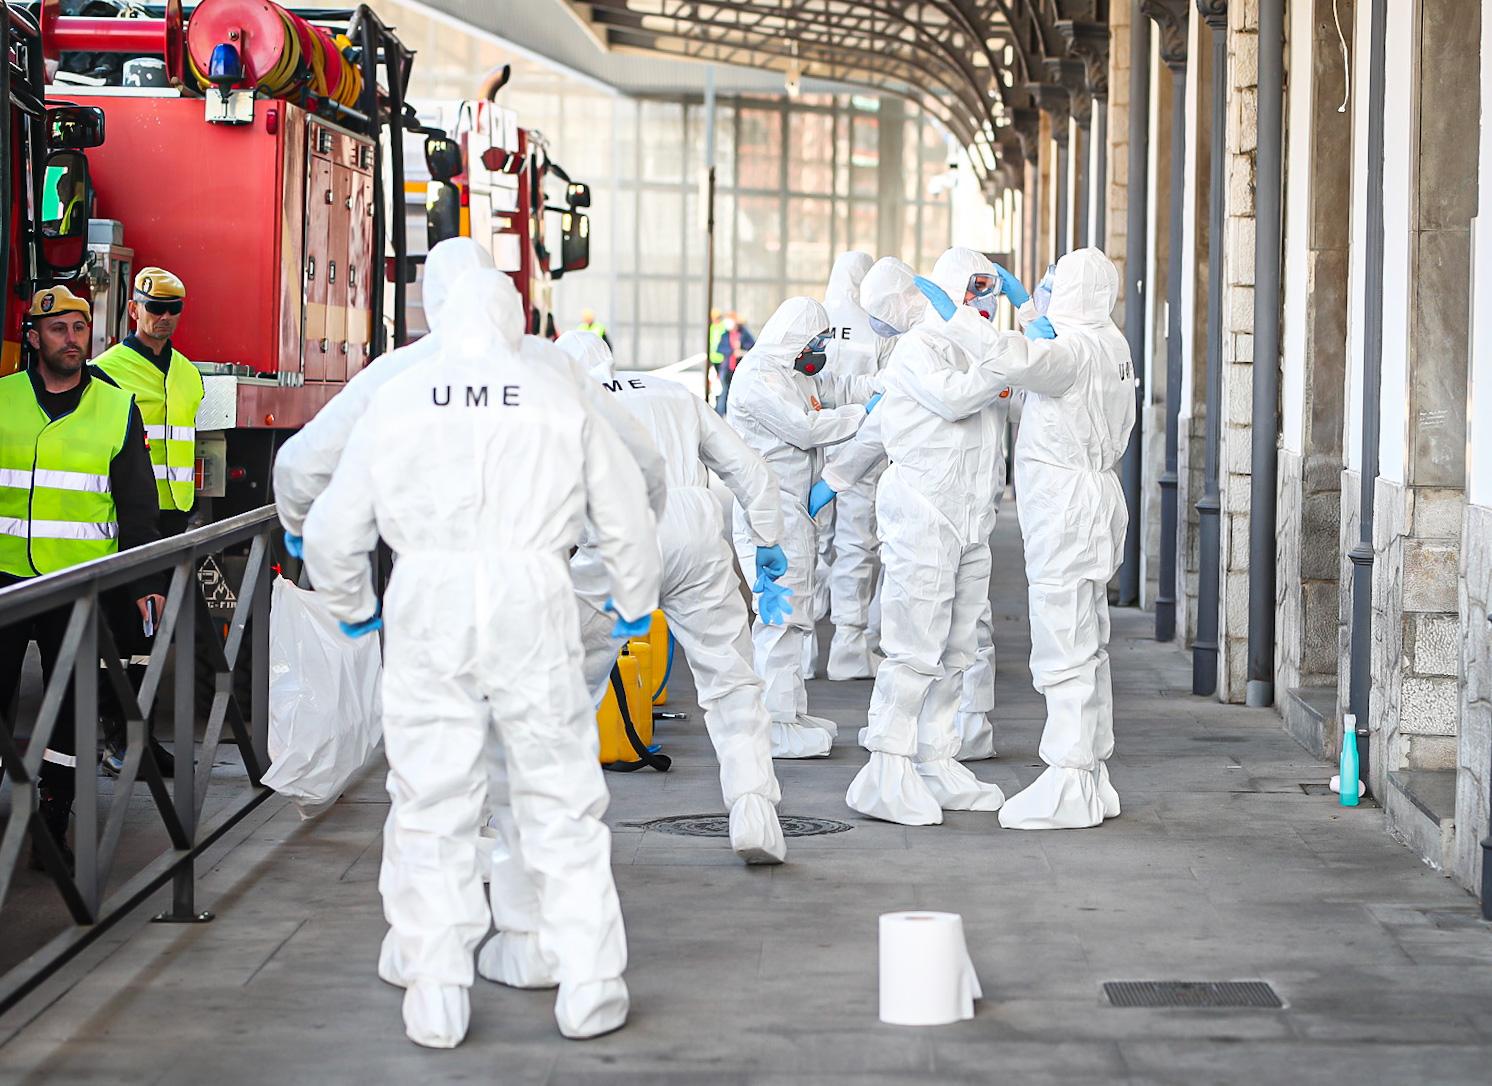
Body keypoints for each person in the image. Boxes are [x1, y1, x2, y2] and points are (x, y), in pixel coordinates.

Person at [275, 241, 667, 999]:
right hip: (540, 594)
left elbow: (306, 479)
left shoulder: (400, 380)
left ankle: (433, 982)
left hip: (430, 599)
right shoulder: (555, 377)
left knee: (431, 789)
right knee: (552, 787)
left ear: (434, 304)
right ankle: (569, 967)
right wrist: (631, 594)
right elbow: (641, 476)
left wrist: (345, 597)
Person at [915, 248, 1135, 830]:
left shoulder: (1070, 352)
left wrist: (960, 316)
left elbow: (1013, 358)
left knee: (1064, 645)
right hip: (1093, 503)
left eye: (1050, 282)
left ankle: (1068, 776)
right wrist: (1031, 310)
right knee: (1089, 639)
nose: (1041, 287)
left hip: (1065, 510)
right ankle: (1091, 772)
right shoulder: (1110, 343)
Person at [558, 330, 792, 862]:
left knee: (563, 683)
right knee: (730, 681)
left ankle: (533, 827)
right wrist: (769, 541)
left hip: (619, 542)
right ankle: (755, 812)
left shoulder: (572, 403)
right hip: (695, 532)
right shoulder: (673, 393)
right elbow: (750, 471)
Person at [840, 247, 1010, 827]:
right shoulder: (919, 348)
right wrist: (836, 479)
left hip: (969, 519)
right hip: (923, 513)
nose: (984, 300)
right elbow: (954, 398)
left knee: (958, 649)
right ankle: (886, 768)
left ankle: (936, 759)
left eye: (989, 288)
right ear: (948, 290)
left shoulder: (977, 346)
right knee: (913, 648)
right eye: (976, 288)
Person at [0, 287, 164, 871]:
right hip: (7, 580)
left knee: (71, 705)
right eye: (59, 329)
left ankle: (52, 819)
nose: (73, 339)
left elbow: (138, 505)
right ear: (34, 337)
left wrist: (145, 579)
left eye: (80, 328)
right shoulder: (4, 399)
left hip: (79, 585)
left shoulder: (117, 407)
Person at [725, 296, 874, 757]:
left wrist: (883, 386)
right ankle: (771, 724)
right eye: (817, 342)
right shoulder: (757, 377)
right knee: (778, 618)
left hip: (793, 513)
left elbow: (840, 385)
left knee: (796, 617)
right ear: (794, 338)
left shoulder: (793, 372)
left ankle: (789, 712)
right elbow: (805, 428)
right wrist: (864, 415)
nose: (820, 351)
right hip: (768, 517)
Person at [93, 267, 203, 535]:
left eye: (173, 308)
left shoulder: (189, 373)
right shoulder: (103, 370)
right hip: (128, 508)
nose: (165, 316)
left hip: (176, 511)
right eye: (155, 307)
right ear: (133, 310)